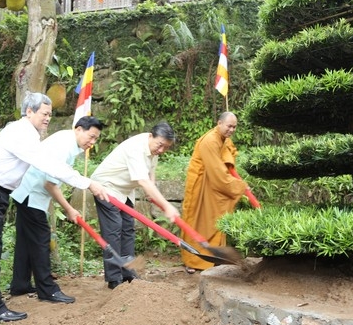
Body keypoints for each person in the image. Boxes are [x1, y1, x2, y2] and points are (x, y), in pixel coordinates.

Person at [0, 93, 109, 322]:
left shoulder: (29, 135)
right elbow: (48, 166)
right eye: (44, 114)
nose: (48, 119)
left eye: (50, 114)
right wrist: (88, 183)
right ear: (29, 112)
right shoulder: (22, 134)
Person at [9, 116, 105, 303]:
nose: (92, 142)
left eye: (96, 139)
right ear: (78, 129)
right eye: (91, 136)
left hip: (26, 193)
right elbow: (50, 184)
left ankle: (20, 285)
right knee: (40, 240)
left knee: (26, 241)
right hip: (31, 194)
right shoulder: (65, 145)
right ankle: (47, 290)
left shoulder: (66, 141)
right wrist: (70, 208)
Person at [91, 122, 180, 289]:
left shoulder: (154, 149)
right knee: (114, 230)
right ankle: (114, 278)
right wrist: (167, 206)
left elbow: (150, 174)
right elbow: (143, 181)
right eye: (160, 145)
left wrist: (152, 192)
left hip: (124, 190)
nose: (161, 150)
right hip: (106, 186)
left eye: (166, 148)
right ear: (150, 136)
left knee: (128, 229)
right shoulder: (136, 148)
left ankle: (128, 272)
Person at [180, 112, 247, 273]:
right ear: (219, 123)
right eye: (229, 126)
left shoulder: (223, 138)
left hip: (212, 185)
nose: (231, 129)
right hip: (201, 186)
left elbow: (226, 153)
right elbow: (218, 174)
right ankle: (193, 260)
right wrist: (239, 186)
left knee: (216, 218)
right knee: (198, 221)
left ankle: (215, 258)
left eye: (234, 127)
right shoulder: (210, 141)